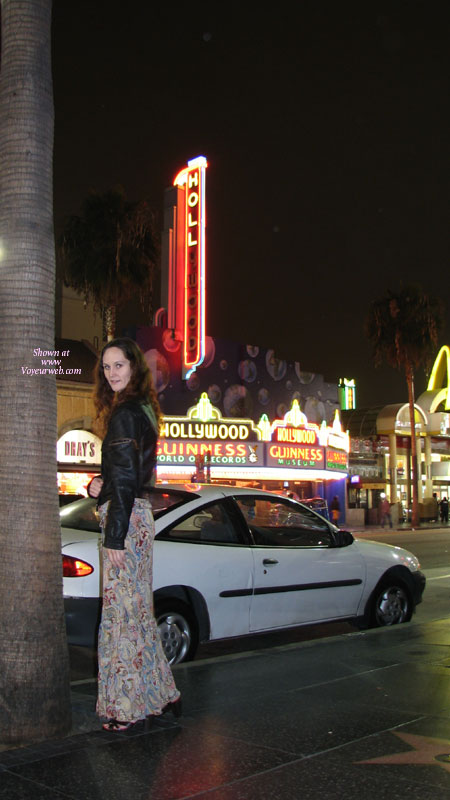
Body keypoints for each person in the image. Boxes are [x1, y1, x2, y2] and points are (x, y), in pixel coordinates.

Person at [88, 337, 180, 732]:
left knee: (122, 617)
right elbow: (127, 475)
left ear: (134, 368)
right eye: (106, 368)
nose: (112, 374)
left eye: (119, 365)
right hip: (138, 516)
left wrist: (113, 538)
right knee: (138, 613)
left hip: (125, 523)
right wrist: (101, 483)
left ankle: (125, 709)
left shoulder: (125, 413)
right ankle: (160, 694)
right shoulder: (142, 410)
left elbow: (126, 477)